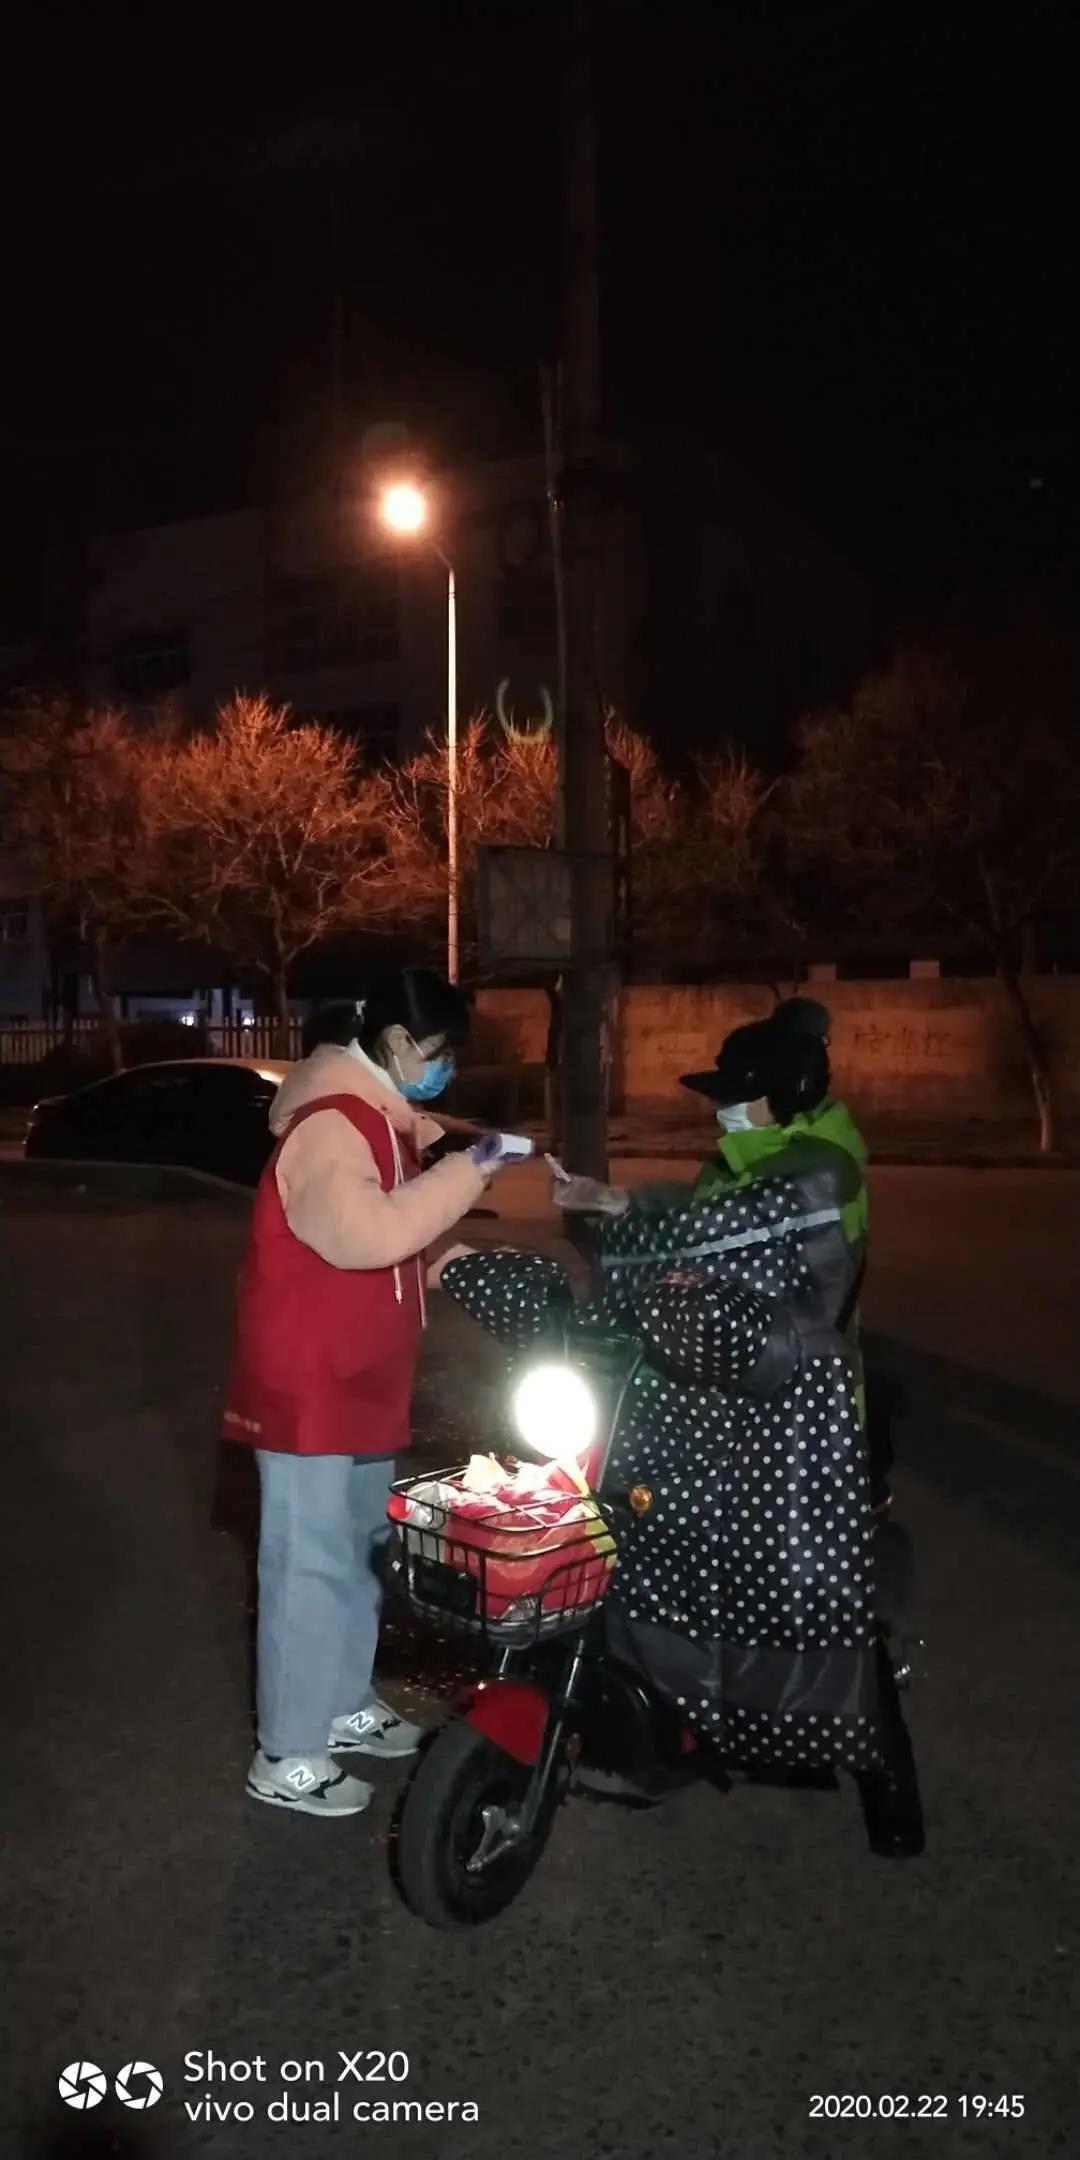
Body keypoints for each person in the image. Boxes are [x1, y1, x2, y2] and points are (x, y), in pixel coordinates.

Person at [223, 967, 505, 1819]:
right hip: (310, 1384)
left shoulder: (380, 1122)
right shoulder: (332, 1125)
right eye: (439, 1051)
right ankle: (288, 1752)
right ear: (394, 1042)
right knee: (307, 1565)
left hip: (359, 1376)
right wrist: (470, 1171)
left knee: (356, 1553)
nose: (447, 1068)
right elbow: (365, 1236)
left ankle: (341, 1702)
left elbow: (394, 1246)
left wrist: (464, 1263)